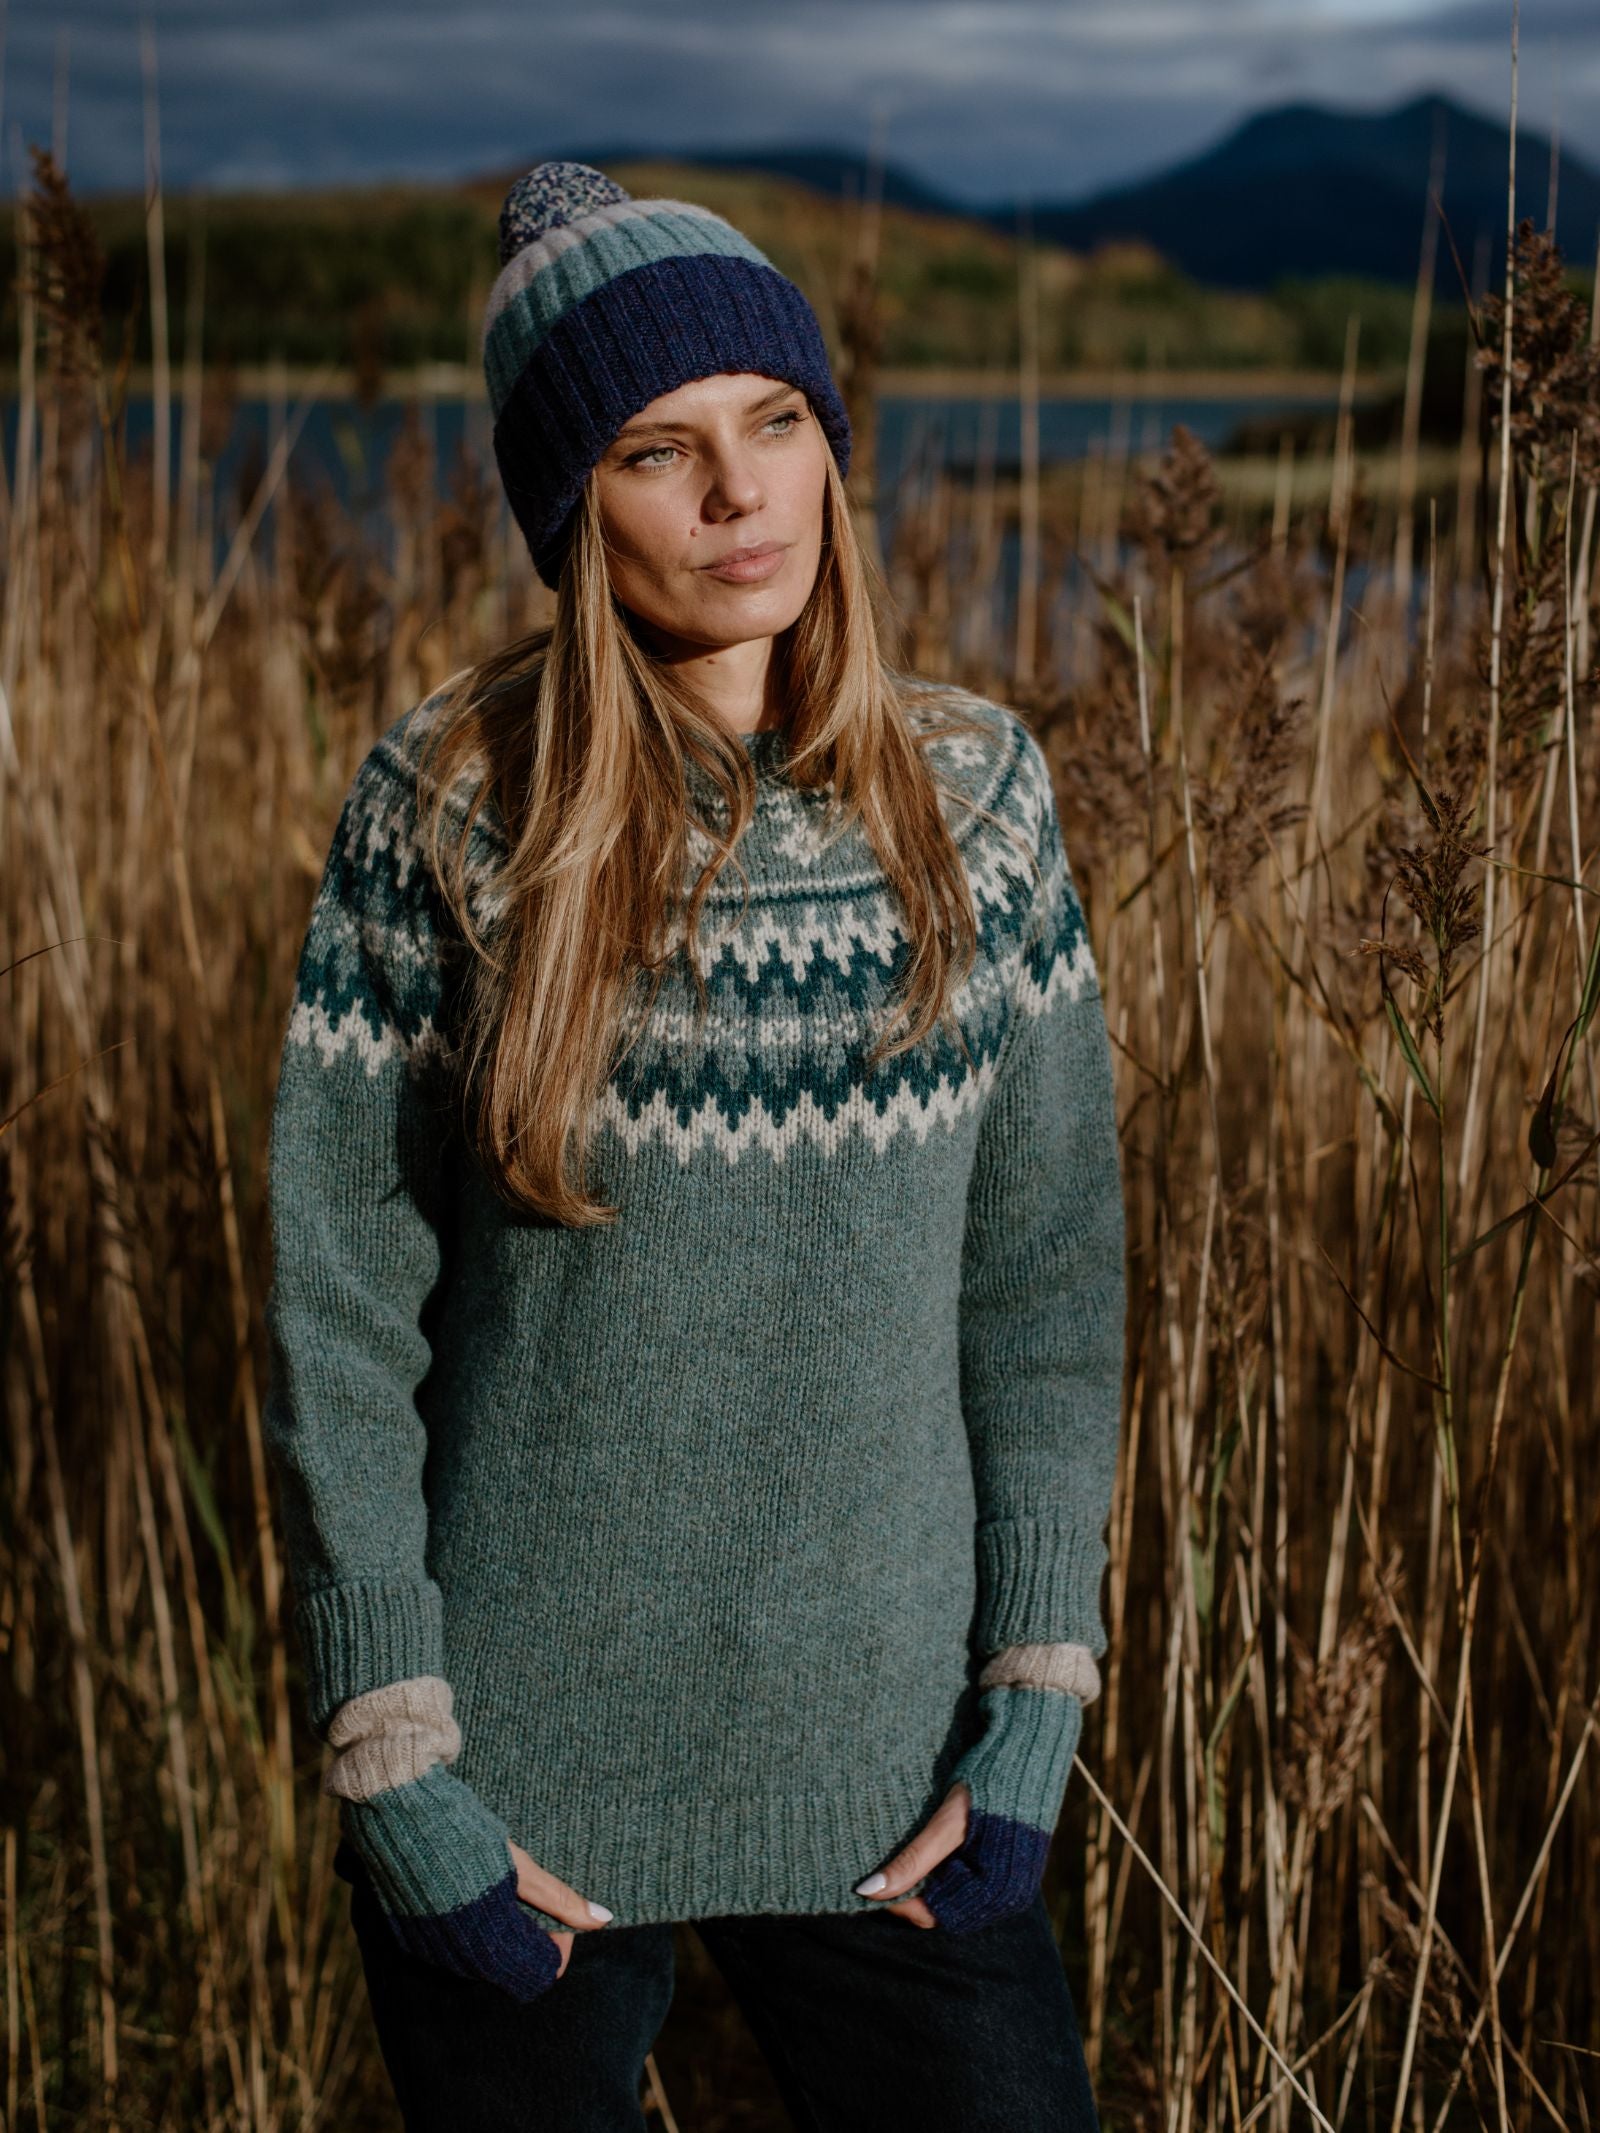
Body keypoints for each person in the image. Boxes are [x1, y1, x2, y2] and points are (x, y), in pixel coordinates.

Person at [261, 160, 1126, 2132]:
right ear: (572, 506)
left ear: (830, 443)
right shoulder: (447, 809)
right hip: (518, 1782)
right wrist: (396, 1758)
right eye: (659, 450)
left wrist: (1035, 1695)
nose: (740, 493)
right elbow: (339, 1311)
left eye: (774, 421)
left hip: (901, 1772)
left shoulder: (979, 801)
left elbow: (1045, 1287)